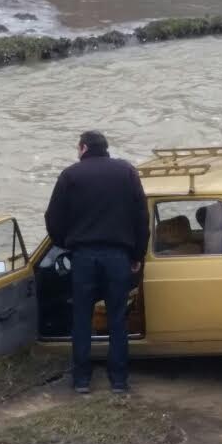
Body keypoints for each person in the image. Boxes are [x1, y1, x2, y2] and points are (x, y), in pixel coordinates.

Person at [44, 130, 149, 394]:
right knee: (117, 318)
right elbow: (141, 217)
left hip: (83, 257)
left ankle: (81, 380)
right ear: (105, 148)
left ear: (82, 148)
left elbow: (52, 219)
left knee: (81, 318)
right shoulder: (126, 172)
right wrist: (137, 254)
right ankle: (119, 381)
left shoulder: (70, 175)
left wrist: (67, 244)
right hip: (118, 256)